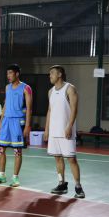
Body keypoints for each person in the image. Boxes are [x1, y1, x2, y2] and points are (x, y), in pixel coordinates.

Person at [44, 65, 85, 198]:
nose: (50, 76)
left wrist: (69, 126)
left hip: (66, 131)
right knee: (57, 158)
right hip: (53, 132)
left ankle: (78, 187)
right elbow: (50, 110)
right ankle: (61, 184)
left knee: (71, 159)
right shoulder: (50, 91)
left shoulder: (70, 88)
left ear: (60, 74)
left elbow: (74, 109)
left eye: (52, 73)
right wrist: (46, 129)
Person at [0, 64, 32, 187]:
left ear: (17, 74)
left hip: (18, 122)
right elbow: (6, 105)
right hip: (6, 121)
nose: (8, 76)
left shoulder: (26, 88)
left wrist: (27, 126)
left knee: (17, 151)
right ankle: (1, 175)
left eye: (10, 73)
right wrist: (1, 121)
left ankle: (15, 178)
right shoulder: (7, 87)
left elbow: (29, 108)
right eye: (7, 73)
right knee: (0, 149)